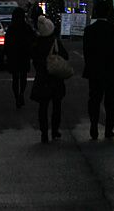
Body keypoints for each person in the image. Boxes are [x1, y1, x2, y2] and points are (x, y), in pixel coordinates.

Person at [83, 0, 114, 140]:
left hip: (95, 71)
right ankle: (109, 129)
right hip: (111, 71)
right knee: (111, 101)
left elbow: (86, 52)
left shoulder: (89, 30)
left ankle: (94, 126)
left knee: (94, 100)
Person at [30, 14, 69, 142]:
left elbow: (34, 60)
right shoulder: (55, 41)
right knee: (56, 105)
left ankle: (44, 132)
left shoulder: (37, 43)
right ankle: (55, 130)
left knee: (43, 106)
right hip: (55, 76)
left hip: (42, 77)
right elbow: (65, 56)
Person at [4, 6, 35, 108]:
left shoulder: (11, 28)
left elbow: (7, 43)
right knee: (23, 77)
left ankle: (17, 96)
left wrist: (7, 54)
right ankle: (21, 93)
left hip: (14, 55)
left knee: (15, 78)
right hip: (24, 55)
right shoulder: (26, 27)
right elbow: (33, 39)